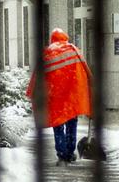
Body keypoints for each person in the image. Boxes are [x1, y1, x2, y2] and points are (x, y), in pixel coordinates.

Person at [26, 27, 92, 165]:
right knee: (72, 123)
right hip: (72, 96)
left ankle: (62, 155)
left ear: (52, 40)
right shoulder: (74, 50)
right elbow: (86, 71)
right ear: (65, 38)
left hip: (56, 96)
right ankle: (69, 152)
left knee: (58, 125)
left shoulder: (47, 53)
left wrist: (31, 91)